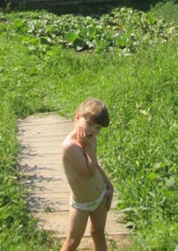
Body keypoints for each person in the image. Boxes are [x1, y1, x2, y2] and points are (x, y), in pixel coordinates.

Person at [61, 98, 114, 251]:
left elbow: (95, 166)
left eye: (98, 128)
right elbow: (89, 172)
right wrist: (90, 149)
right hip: (81, 205)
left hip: (100, 197)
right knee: (72, 242)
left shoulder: (90, 140)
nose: (93, 131)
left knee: (98, 233)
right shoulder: (70, 146)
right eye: (89, 124)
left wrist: (109, 186)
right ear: (78, 118)